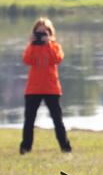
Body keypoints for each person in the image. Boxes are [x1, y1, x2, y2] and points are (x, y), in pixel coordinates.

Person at [19, 17, 72, 154]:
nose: (41, 35)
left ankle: (65, 148)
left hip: (51, 88)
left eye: (44, 32)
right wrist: (32, 44)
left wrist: (48, 43)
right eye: (39, 32)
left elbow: (57, 59)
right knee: (29, 121)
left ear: (50, 33)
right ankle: (25, 148)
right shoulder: (31, 47)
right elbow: (26, 60)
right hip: (33, 89)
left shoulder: (55, 47)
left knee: (57, 120)